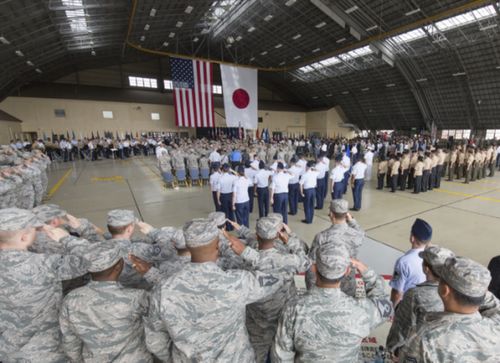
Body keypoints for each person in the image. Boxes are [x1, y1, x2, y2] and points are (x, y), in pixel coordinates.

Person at [143, 218, 284, 362]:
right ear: (218, 245)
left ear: (188, 246)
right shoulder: (237, 282)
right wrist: (246, 252)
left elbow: (155, 341)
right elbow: (277, 276)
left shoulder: (163, 290)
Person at [271, 244, 393, 362]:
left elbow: (281, 356)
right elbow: (385, 305)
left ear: (313, 268)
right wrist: (366, 271)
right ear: (346, 272)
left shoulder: (293, 310)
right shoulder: (361, 310)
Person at [0, 208, 90, 362]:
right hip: (46, 351)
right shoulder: (44, 264)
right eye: (35, 230)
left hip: (7, 350)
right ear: (24, 237)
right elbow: (91, 260)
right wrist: (66, 238)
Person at [223, 217, 311, 363]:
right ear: (277, 236)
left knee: (257, 355)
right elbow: (306, 260)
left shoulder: (244, 263)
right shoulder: (289, 261)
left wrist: (245, 252)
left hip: (257, 321)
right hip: (281, 318)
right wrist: (289, 240)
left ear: (257, 236)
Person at [59, 243, 152, 362]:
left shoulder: (71, 299)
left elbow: (69, 342)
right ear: (119, 266)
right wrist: (149, 272)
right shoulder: (138, 297)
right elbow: (167, 300)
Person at [400, 257, 500, 362]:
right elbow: (494, 304)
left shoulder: (425, 339)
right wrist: (477, 289)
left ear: (444, 290)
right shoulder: (496, 325)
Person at [386, 246, 455, 355]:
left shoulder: (415, 294)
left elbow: (400, 330)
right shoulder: (457, 294)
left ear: (426, 269)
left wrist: (393, 349)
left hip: (419, 353)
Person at [306, 199, 365, 296]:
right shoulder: (356, 234)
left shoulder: (322, 237)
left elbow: (311, 265)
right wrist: (352, 221)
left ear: (331, 214)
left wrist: (311, 290)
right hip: (348, 284)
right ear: (346, 214)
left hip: (326, 285)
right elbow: (361, 232)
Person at [390, 218, 432, 306]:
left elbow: (397, 293)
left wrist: (392, 310)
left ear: (412, 238)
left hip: (408, 306)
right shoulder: (432, 258)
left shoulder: (403, 262)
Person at [216, 163, 237, 230]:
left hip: (223, 196)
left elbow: (218, 190)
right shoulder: (232, 177)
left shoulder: (220, 178)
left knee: (225, 212)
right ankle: (232, 226)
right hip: (231, 195)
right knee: (231, 212)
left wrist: (218, 199)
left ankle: (227, 227)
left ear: (222, 169)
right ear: (228, 169)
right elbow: (238, 175)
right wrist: (232, 171)